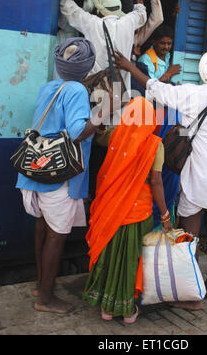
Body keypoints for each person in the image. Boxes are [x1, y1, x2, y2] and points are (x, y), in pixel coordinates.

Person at [114, 47, 207, 309]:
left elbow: (156, 88)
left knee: (190, 229)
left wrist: (131, 68)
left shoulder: (193, 93)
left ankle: (191, 295)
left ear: (204, 72)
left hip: (199, 173)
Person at [16, 38, 107, 315]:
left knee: (43, 228)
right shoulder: (77, 91)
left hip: (36, 171)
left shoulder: (51, 87)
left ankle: (41, 285)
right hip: (60, 175)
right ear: (87, 66)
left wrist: (87, 82)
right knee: (57, 236)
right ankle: (45, 299)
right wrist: (104, 112)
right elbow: (78, 131)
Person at [83, 97, 172, 323]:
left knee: (111, 255)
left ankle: (107, 308)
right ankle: (128, 309)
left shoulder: (115, 136)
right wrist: (165, 215)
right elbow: (156, 182)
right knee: (132, 260)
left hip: (112, 207)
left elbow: (96, 138)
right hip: (138, 211)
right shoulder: (155, 144)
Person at [59, 0, 147, 91]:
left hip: (96, 91)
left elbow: (67, 6)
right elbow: (141, 12)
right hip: (120, 94)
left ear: (98, 8)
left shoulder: (93, 24)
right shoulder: (129, 22)